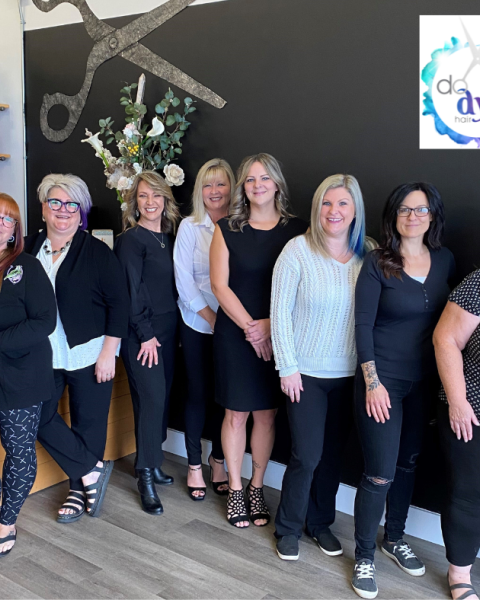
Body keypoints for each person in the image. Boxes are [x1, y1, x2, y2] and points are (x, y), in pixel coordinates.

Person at [352, 182, 455, 599]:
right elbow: (361, 325)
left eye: (422, 210)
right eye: (405, 210)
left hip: (423, 383)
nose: (414, 217)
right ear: (394, 217)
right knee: (380, 472)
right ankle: (363, 556)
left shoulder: (445, 260)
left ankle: (393, 538)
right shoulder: (379, 262)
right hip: (383, 381)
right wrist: (372, 383)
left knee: (409, 464)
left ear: (432, 216)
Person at [271, 174, 373, 561]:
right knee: (307, 455)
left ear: (355, 210)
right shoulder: (297, 252)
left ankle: (320, 523)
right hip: (306, 374)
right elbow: (279, 313)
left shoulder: (370, 256)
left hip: (350, 375)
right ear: (318, 209)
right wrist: (287, 367)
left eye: (343, 204)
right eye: (327, 204)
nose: (334, 211)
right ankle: (290, 527)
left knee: (333, 456)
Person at [210, 153, 308, 528]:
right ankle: (235, 488)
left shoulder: (298, 230)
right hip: (235, 335)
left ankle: (256, 487)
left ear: (277, 184)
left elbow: (304, 286)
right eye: (250, 180)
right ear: (242, 187)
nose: (257, 185)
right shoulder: (227, 228)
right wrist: (252, 327)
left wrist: (270, 326)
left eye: (264, 178)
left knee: (267, 415)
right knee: (235, 414)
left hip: (280, 334)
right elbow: (220, 285)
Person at [24, 174, 129, 523]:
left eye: (72, 204)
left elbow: (119, 304)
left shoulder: (96, 251)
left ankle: (76, 488)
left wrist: (108, 353)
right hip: (41, 356)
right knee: (37, 417)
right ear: (43, 208)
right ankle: (91, 471)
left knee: (90, 424)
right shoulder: (27, 250)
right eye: (55, 202)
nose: (63, 211)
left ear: (80, 211)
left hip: (89, 353)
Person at [114, 171, 180, 514]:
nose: (150, 202)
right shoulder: (131, 240)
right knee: (152, 397)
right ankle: (145, 476)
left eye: (156, 195)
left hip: (170, 331)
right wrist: (145, 333)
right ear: (134, 202)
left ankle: (152, 461)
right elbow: (131, 290)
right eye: (143, 196)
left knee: (159, 398)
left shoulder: (168, 237)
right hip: (144, 334)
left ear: (165, 199)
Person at [174, 159, 235, 500]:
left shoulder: (240, 225)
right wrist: (212, 318)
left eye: (221, 184)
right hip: (197, 322)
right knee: (197, 394)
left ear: (231, 188)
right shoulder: (189, 227)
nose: (214, 191)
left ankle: (219, 458)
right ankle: (195, 464)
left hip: (232, 325)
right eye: (208, 185)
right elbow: (184, 281)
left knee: (225, 396)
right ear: (200, 191)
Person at [0, 193, 56, 555]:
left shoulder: (27, 267)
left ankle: (6, 522)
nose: (1, 222)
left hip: (21, 377)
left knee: (19, 453)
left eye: (8, 219)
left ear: (15, 230)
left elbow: (45, 322)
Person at [433, 272, 480, 600]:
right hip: (471, 409)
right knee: (467, 494)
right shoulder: (479, 283)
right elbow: (446, 338)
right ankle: (459, 574)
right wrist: (458, 402)